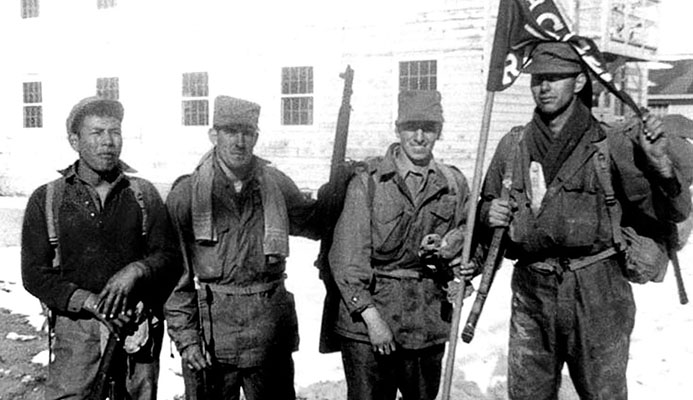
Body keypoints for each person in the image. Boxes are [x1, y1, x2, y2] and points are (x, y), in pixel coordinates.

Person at [478, 42, 692, 399]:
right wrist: (488, 213)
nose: (543, 87)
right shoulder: (513, 144)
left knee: (604, 394)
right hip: (533, 287)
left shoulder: (610, 144)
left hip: (598, 289)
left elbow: (670, 211)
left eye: (555, 78)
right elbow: (487, 206)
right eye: (537, 79)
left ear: (578, 83)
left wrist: (660, 166)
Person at [164, 95, 345, 399]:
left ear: (256, 137)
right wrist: (188, 340)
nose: (239, 142)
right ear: (214, 135)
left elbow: (313, 224)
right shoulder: (187, 195)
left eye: (247, 133)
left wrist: (336, 188)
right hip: (213, 337)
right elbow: (176, 278)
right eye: (230, 132)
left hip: (269, 334)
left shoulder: (275, 185)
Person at [21, 96, 181, 399]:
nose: (108, 142)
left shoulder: (141, 194)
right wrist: (89, 301)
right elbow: (34, 274)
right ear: (74, 140)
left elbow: (171, 258)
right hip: (77, 334)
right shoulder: (48, 199)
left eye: (115, 132)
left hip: (135, 328)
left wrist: (137, 270)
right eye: (97, 133)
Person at [327, 90, 476, 400]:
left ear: (439, 131)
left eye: (429, 127)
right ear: (398, 129)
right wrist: (371, 319)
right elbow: (347, 259)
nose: (419, 136)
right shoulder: (368, 183)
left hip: (427, 322)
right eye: (411, 127)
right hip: (370, 324)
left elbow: (472, 237)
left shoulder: (454, 184)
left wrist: (459, 252)